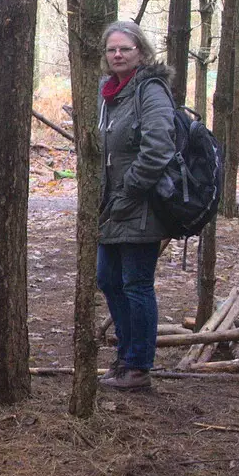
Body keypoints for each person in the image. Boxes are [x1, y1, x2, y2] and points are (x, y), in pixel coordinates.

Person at [95, 21, 176, 392]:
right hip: (111, 205)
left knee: (136, 284)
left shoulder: (150, 90)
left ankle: (139, 366)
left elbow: (159, 146)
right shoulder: (108, 92)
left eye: (125, 49)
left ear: (140, 52)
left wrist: (130, 191)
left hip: (141, 204)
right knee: (108, 279)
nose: (117, 55)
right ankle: (125, 357)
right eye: (112, 49)